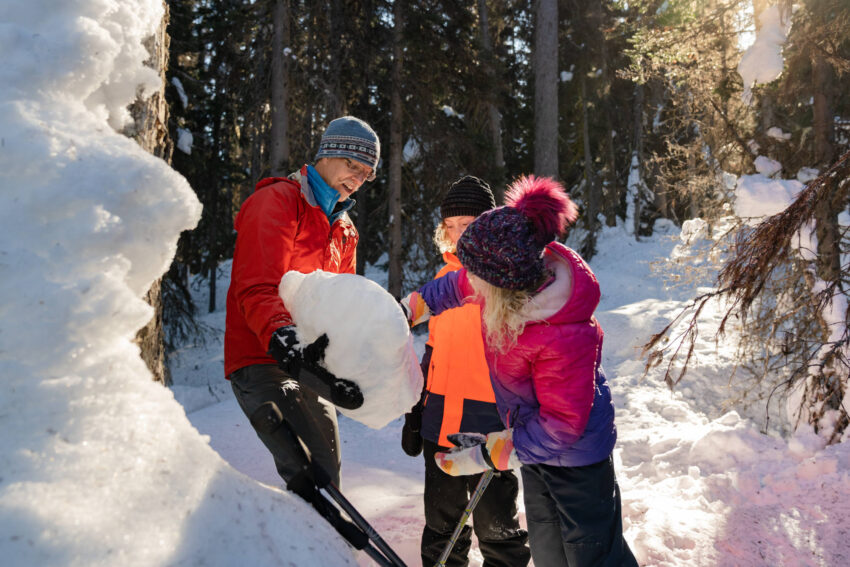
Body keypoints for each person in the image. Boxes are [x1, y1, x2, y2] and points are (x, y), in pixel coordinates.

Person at [402, 175, 638, 567]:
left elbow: (563, 425)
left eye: (477, 278)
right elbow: (456, 285)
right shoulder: (505, 279)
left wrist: (487, 455)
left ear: (502, 285)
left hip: (577, 463)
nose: (469, 283)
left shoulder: (559, 334)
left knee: (590, 556)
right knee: (549, 553)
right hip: (535, 452)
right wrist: (407, 310)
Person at [224, 116, 380, 492]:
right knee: (315, 477)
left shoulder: (344, 230)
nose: (357, 178)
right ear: (327, 155)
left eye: (366, 173)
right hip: (264, 357)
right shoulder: (277, 201)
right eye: (351, 165)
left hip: (306, 363)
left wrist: (342, 368)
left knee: (326, 478)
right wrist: (286, 341)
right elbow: (257, 287)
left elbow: (338, 306)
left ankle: (316, 546)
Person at [401, 176, 530, 567]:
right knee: (441, 526)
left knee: (497, 528)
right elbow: (434, 348)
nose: (458, 235)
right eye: (451, 227)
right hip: (439, 419)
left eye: (468, 225)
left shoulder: (505, 279)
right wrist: (416, 408)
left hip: (488, 421)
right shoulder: (442, 280)